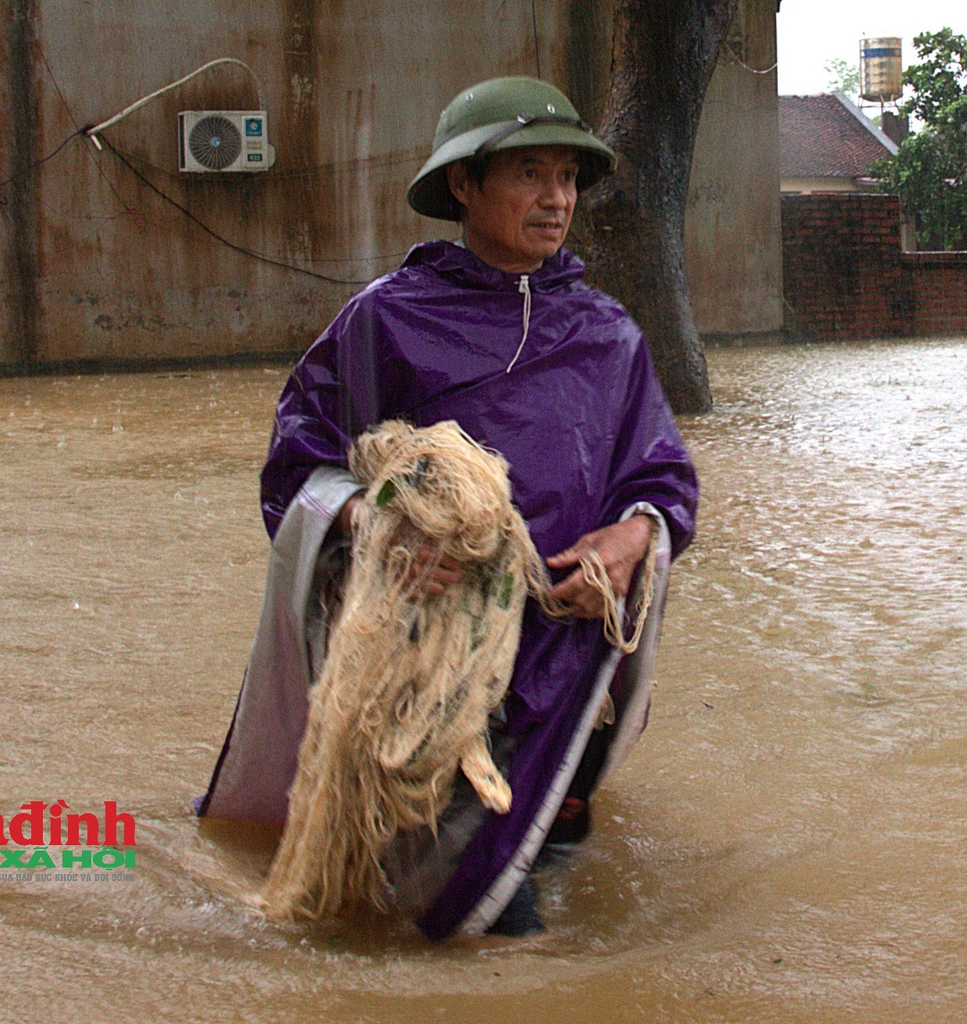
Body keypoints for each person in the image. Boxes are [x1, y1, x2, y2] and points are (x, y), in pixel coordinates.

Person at [195, 76, 699, 939]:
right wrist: (380, 528)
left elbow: (662, 478)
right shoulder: (384, 321)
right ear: (463, 186)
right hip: (434, 659)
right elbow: (297, 467)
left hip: (566, 660)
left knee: (541, 858)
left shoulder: (608, 334)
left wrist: (633, 538)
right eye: (530, 174)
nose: (556, 199)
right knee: (493, 922)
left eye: (570, 178)